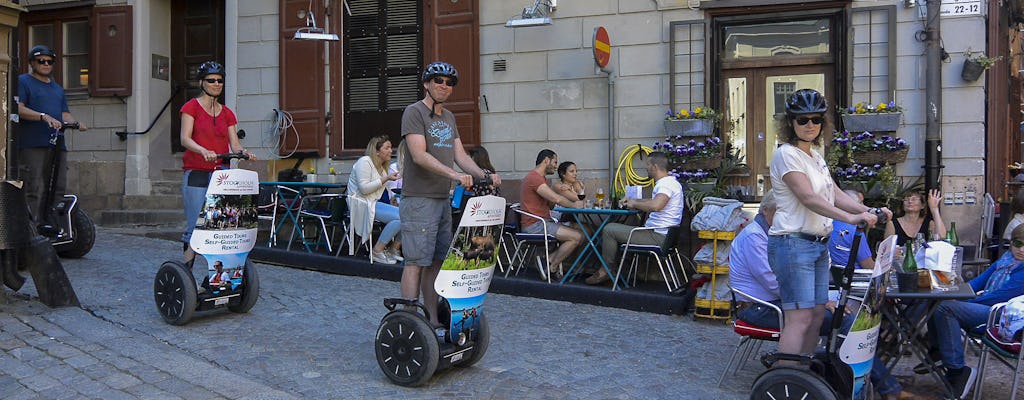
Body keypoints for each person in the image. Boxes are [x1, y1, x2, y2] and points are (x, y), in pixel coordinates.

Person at [731, 193, 926, 400]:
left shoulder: (774, 233)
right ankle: (876, 387)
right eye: (783, 212)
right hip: (762, 308)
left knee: (856, 310)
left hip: (784, 301)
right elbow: (774, 283)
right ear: (766, 211)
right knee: (846, 320)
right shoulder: (755, 237)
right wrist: (820, 301)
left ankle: (841, 374)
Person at [767, 88, 890, 365]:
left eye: (816, 119)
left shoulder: (816, 156)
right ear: (790, 123)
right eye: (802, 119)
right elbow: (808, 197)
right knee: (798, 317)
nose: (810, 124)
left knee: (817, 313)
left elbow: (835, 194)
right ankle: (786, 378)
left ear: (823, 123)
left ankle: (804, 371)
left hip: (818, 246)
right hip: (792, 243)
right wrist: (851, 219)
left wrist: (868, 210)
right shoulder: (787, 155)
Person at [399, 61, 500, 325]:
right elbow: (419, 155)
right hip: (419, 200)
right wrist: (454, 175)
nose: (444, 86)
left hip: (442, 201)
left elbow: (461, 155)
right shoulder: (414, 112)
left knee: (436, 263)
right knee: (415, 262)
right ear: (426, 84)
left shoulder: (449, 117)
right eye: (438, 81)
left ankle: (431, 319)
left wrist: (484, 174)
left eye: (449, 82)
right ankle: (410, 320)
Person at [926, 223, 1024, 399]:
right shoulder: (1006, 259)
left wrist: (962, 300)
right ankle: (939, 351)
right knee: (937, 299)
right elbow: (977, 283)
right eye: (1018, 244)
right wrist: (954, 292)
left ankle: (957, 371)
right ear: (1012, 243)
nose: (1022, 250)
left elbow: (999, 297)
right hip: (986, 307)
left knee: (947, 309)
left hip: (1003, 317)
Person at [178, 61, 255, 266]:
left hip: (221, 175)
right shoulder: (190, 107)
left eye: (220, 80)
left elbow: (235, 144)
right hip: (197, 173)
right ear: (202, 83)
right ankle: (187, 273)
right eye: (211, 80)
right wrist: (203, 150)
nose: (216, 84)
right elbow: (184, 138)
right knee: (195, 226)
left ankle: (219, 276)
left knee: (222, 227)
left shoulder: (227, 113)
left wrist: (244, 153)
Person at [16, 44, 88, 224]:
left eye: (50, 61)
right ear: (33, 62)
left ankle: (53, 225)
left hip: (57, 144)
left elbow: (64, 113)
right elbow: (18, 108)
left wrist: (76, 123)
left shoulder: (57, 89)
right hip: (33, 143)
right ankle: (30, 227)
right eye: (41, 61)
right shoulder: (23, 81)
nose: (46, 64)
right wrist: (42, 116)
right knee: (34, 186)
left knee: (58, 186)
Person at [591, 152, 683, 285]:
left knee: (609, 229)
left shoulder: (664, 185)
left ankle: (606, 270)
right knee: (614, 230)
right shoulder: (672, 183)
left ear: (655, 167)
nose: (646, 168)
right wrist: (635, 200)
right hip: (665, 236)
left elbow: (656, 205)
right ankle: (614, 270)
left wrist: (634, 204)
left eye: (648, 164)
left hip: (656, 237)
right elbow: (654, 201)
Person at [519, 149, 583, 280]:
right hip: (535, 226)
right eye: (555, 162)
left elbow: (551, 204)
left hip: (544, 222)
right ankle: (551, 266)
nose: (556, 166)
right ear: (546, 161)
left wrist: (560, 193)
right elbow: (556, 200)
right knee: (576, 237)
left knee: (581, 232)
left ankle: (547, 260)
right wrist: (574, 205)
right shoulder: (534, 178)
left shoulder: (542, 179)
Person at [348, 135, 403, 264]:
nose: (391, 150)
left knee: (408, 214)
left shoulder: (382, 168)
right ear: (377, 151)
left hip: (373, 203)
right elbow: (364, 189)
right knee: (401, 217)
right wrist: (387, 178)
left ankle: (393, 250)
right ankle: (377, 251)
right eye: (387, 148)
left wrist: (393, 199)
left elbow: (385, 190)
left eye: (391, 147)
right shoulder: (365, 161)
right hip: (360, 203)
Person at [829, 189, 876, 270]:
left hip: (831, 276)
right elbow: (868, 266)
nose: (863, 207)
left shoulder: (827, 224)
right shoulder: (854, 230)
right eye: (861, 203)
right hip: (855, 277)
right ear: (849, 205)